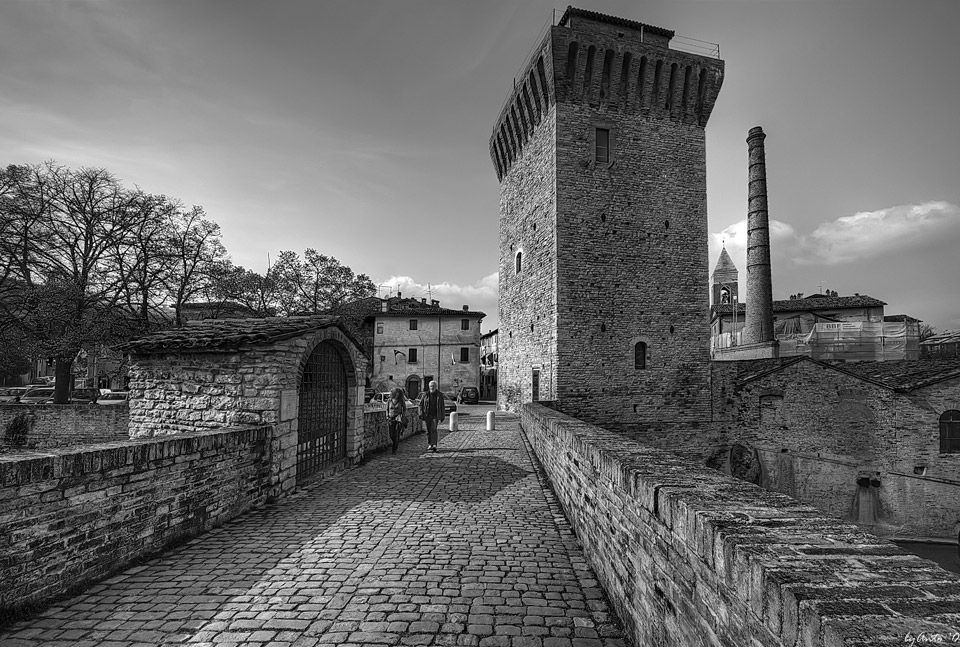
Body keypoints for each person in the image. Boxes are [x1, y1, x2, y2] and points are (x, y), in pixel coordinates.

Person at [418, 380, 445, 452]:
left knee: (434, 430)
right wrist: (421, 413)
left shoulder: (439, 395)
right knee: (428, 431)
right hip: (427, 415)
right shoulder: (425, 395)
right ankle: (430, 444)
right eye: (430, 386)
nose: (432, 387)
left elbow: (442, 406)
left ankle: (434, 445)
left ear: (436, 387)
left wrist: (442, 416)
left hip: (435, 415)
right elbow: (420, 404)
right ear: (429, 387)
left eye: (433, 386)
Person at [387, 387, 406, 455]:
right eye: (396, 393)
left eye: (398, 393)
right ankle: (395, 443)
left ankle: (394, 449)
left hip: (398, 419)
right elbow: (387, 409)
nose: (397, 394)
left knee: (396, 434)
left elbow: (404, 408)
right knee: (391, 434)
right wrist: (387, 416)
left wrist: (402, 415)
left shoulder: (401, 400)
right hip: (391, 419)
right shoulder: (389, 400)